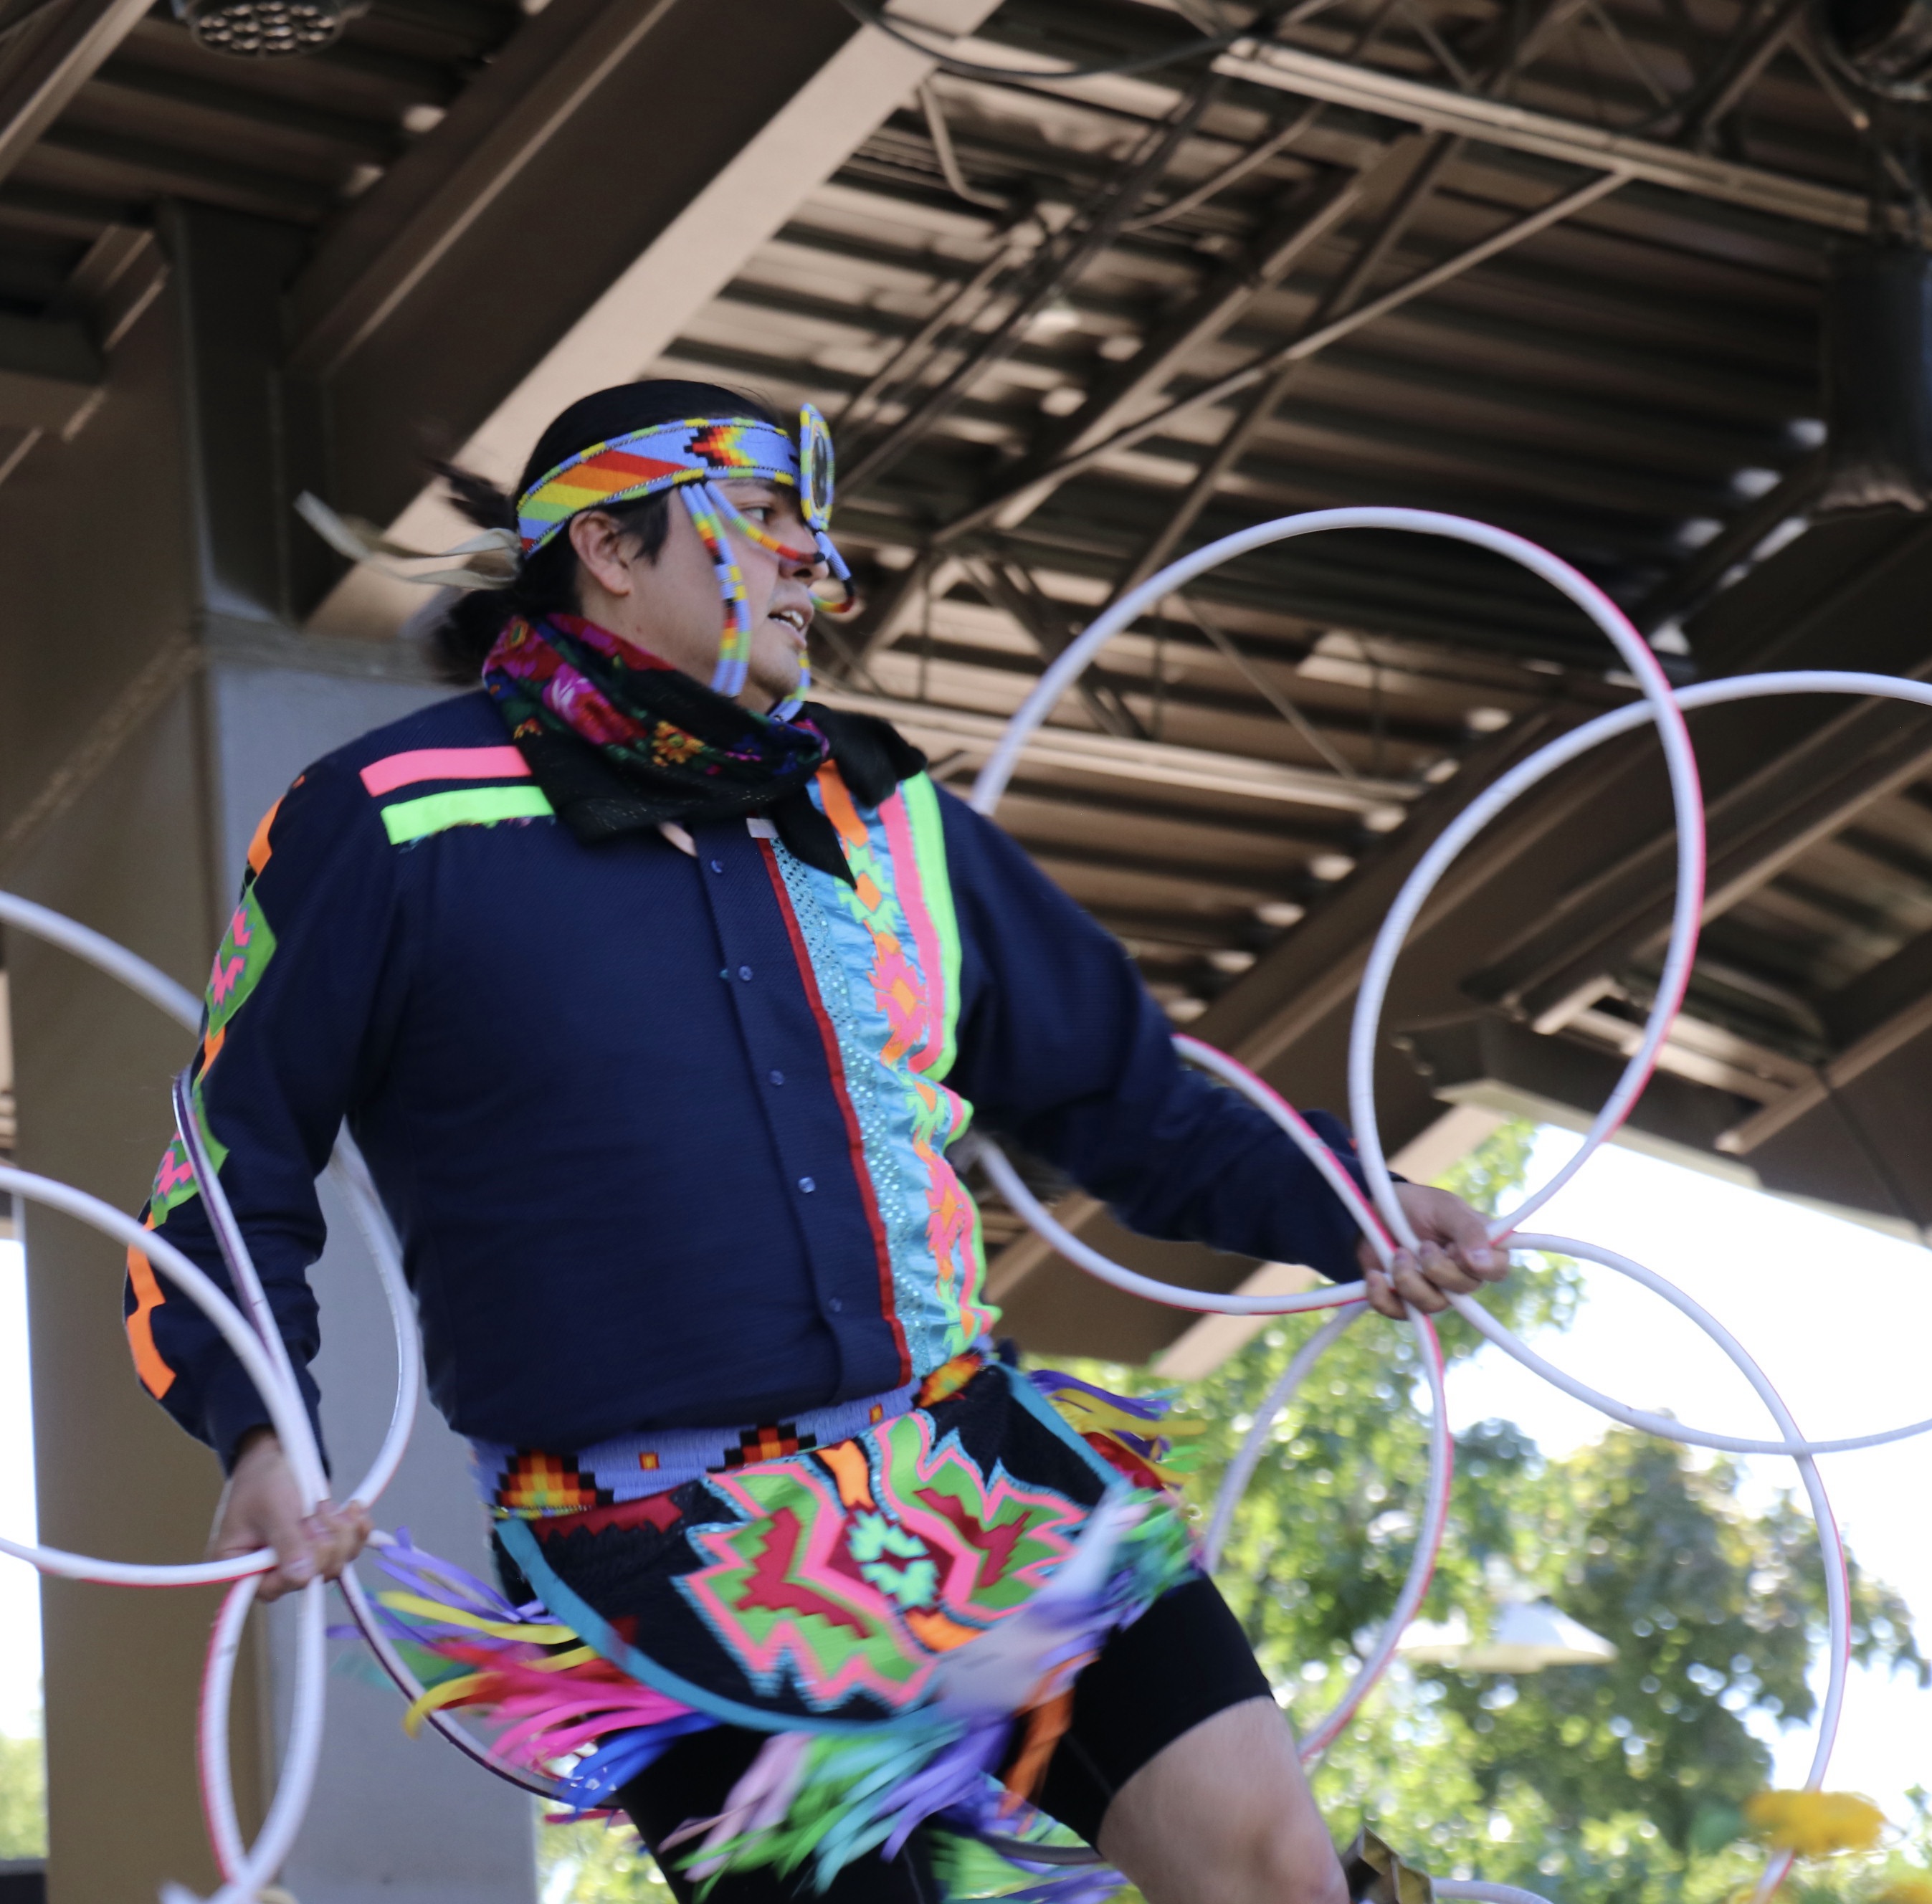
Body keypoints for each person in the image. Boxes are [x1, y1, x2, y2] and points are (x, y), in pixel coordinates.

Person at [126, 379, 1511, 1904]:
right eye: (768, 521)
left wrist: (1356, 1197)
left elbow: (1133, 1102)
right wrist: (260, 1432)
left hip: (969, 1461)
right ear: (610, 542)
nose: (816, 565)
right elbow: (225, 1156)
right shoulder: (384, 818)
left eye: (814, 530)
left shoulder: (881, 806)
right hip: (653, 1544)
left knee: (1278, 1874)